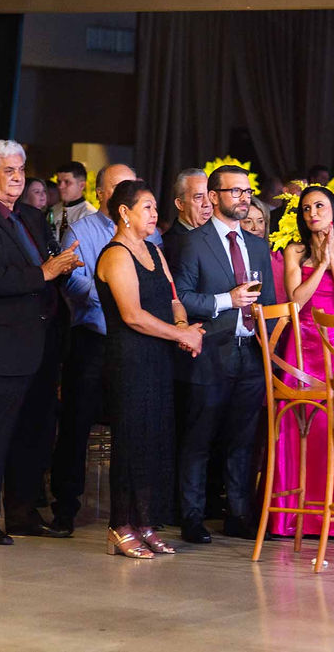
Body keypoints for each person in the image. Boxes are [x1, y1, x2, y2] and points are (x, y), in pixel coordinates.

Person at [0, 140, 83, 545]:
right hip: (1, 346)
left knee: (35, 433)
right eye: (8, 170)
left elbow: (47, 264)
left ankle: (23, 513)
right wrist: (45, 272)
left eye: (21, 170)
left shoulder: (32, 216)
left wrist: (64, 266)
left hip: (43, 340)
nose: (16, 178)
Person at [95, 180, 205, 558]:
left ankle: (145, 523)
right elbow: (133, 315)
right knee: (131, 443)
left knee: (155, 442)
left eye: (156, 207)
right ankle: (119, 526)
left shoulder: (154, 251)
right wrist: (182, 335)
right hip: (129, 361)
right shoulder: (116, 254)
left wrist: (182, 326)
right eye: (147, 207)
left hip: (158, 358)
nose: (155, 214)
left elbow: (173, 300)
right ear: (124, 212)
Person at [50, 163, 160, 534]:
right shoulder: (81, 231)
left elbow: (156, 282)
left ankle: (133, 515)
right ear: (100, 193)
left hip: (135, 343)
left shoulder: (150, 233)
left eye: (132, 186)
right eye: (118, 187)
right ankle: (65, 509)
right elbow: (71, 283)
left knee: (134, 427)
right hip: (93, 340)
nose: (127, 193)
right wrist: (115, 293)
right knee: (76, 425)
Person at [174, 164, 277, 543]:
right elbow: (181, 297)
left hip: (250, 351)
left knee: (243, 440)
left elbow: (269, 302)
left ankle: (238, 515)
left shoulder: (257, 245)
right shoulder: (193, 242)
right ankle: (191, 517)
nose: (244, 198)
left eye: (247, 192)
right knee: (199, 439)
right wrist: (226, 300)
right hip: (209, 350)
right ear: (214, 196)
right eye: (236, 191)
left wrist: (268, 341)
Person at [270, 185, 334, 537]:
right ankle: (298, 516)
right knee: (302, 424)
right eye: (307, 208)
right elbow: (296, 301)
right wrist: (322, 265)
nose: (312, 213)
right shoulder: (295, 251)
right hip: (302, 344)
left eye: (320, 206)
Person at [161, 168, 212, 271]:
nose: (207, 204)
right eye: (198, 197)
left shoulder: (220, 235)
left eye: (210, 196)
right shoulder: (172, 246)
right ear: (180, 204)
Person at [50, 161, 97, 241]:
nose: (61, 186)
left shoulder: (89, 215)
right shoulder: (53, 210)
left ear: (81, 185)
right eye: (59, 182)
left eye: (67, 182)